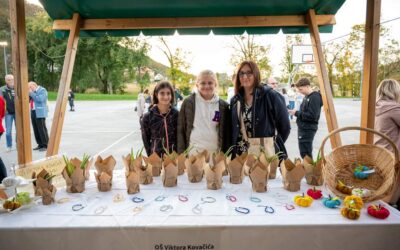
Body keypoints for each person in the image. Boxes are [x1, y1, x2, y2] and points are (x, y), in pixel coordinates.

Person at [231, 61, 290, 158]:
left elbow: (285, 127)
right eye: (241, 73)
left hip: (264, 153)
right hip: (241, 155)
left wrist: (273, 145)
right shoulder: (235, 100)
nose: (245, 76)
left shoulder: (271, 96)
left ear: (256, 74)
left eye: (249, 72)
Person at [178, 70, 231, 155]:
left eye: (210, 83)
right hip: (193, 154)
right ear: (197, 85)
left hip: (215, 155)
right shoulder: (188, 103)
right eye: (203, 83)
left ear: (215, 85)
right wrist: (181, 154)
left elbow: (227, 133)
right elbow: (181, 129)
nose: (206, 86)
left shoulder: (223, 106)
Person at [374, 79, 400, 208]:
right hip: (393, 152)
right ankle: (392, 205)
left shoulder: (376, 105)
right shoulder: (394, 108)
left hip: (379, 150)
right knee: (394, 183)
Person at [141, 81, 178, 157]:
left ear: (172, 95)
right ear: (156, 94)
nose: (165, 97)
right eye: (162, 93)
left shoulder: (177, 115)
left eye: (168, 93)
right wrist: (151, 156)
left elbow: (181, 138)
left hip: (174, 157)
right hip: (156, 158)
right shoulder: (147, 117)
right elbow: (146, 141)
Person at [288, 78, 322, 159]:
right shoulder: (307, 96)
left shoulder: (315, 97)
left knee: (306, 153)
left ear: (307, 86)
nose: (299, 91)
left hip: (308, 129)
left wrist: (296, 113)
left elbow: (313, 116)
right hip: (303, 127)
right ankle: (308, 169)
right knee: (304, 152)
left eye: (301, 89)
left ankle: (310, 170)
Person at [29, 81, 49, 151]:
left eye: (30, 87)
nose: (29, 89)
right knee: (36, 129)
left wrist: (31, 93)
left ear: (34, 85)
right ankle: (40, 144)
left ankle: (45, 144)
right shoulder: (32, 93)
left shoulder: (42, 90)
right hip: (33, 111)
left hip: (40, 112)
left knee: (41, 129)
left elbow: (40, 99)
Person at [1, 75, 16, 152]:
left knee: (19, 130)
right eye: (9, 80)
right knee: (8, 131)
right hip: (8, 113)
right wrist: (4, 111)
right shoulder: (2, 89)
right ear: (6, 81)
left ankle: (18, 144)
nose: (11, 81)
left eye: (12, 79)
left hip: (17, 113)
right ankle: (9, 145)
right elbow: (1, 101)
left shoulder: (17, 88)